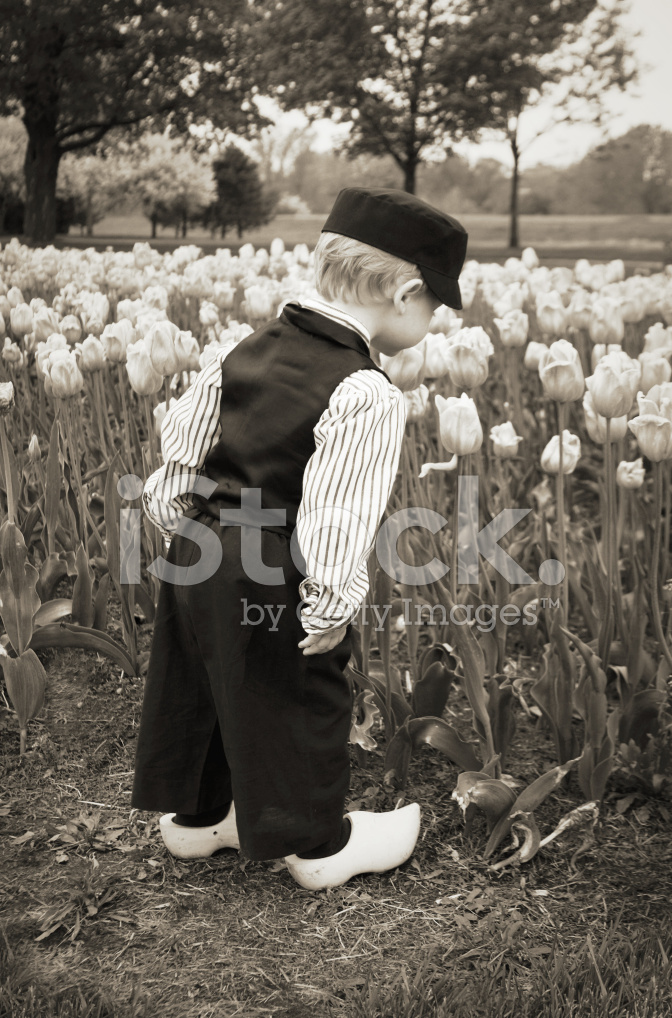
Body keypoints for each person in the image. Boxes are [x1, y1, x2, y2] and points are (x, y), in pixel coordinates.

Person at [132, 187, 468, 890]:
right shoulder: (367, 391)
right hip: (275, 566)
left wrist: (184, 531)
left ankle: (200, 820)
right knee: (298, 695)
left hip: (199, 548)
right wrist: (329, 604)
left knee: (203, 678)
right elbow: (336, 516)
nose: (432, 319)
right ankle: (319, 845)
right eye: (436, 305)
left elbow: (184, 454)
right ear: (406, 294)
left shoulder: (239, 348)